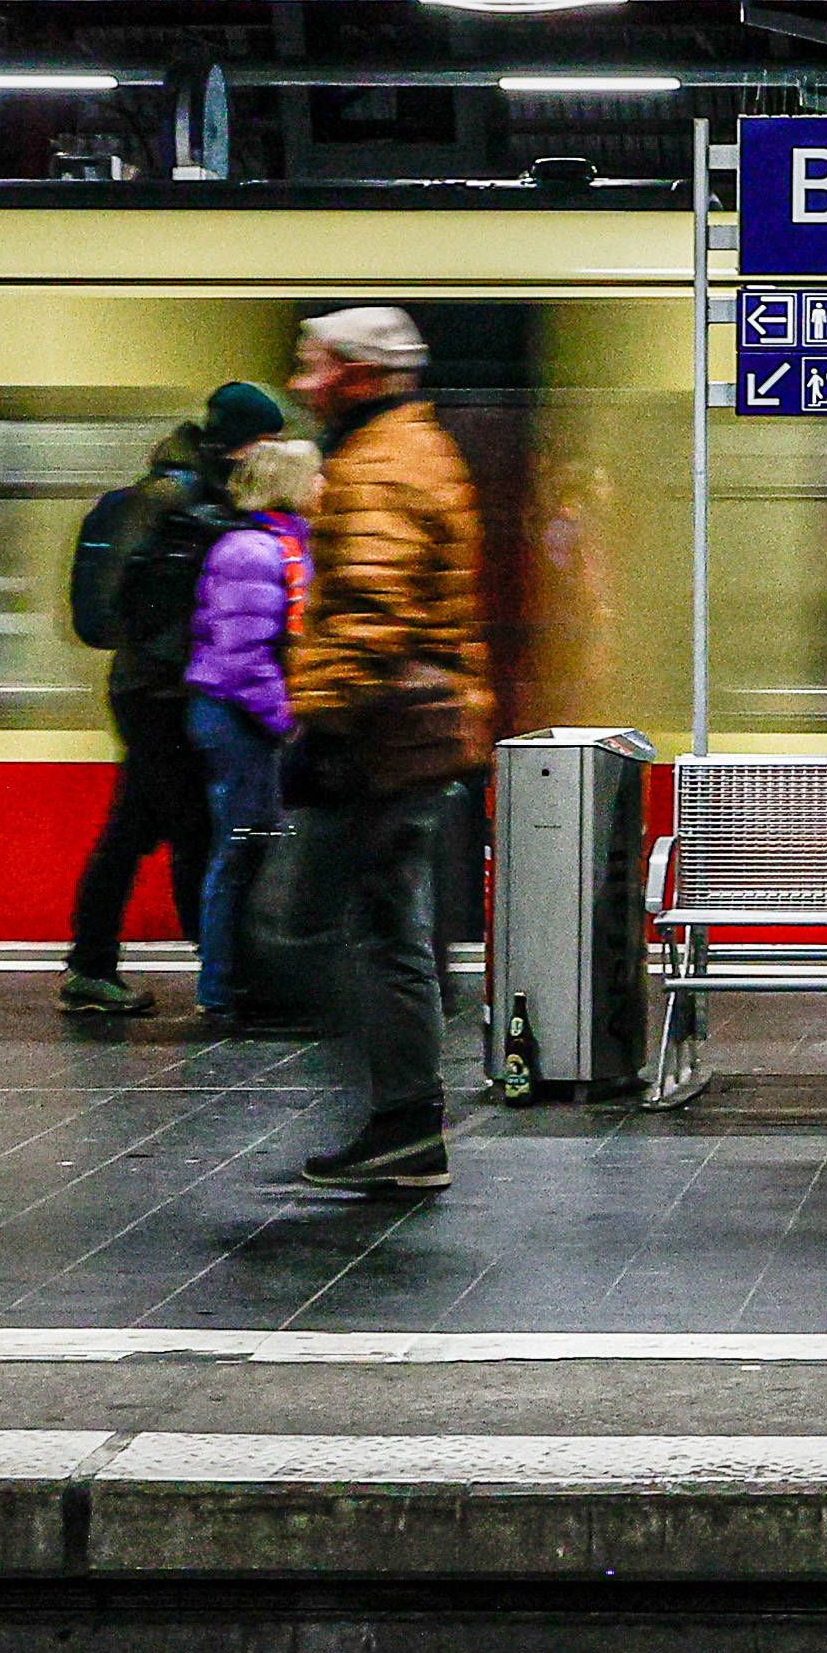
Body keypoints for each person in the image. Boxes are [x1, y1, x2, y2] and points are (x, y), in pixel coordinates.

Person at [281, 305, 495, 1194]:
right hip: (409, 734)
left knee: (333, 925)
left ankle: (402, 1117)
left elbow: (372, 611)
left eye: (314, 365)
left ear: (360, 375)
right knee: (377, 925)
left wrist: (321, 719)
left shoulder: (378, 467)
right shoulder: (406, 449)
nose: (301, 383)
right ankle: (399, 1117)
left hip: (383, 735)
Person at [60, 378, 286, 1019]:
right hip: (160, 691)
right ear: (243, 438)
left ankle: (109, 964)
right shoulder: (178, 500)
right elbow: (157, 610)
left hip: (147, 687)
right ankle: (211, 974)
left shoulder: (171, 491)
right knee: (177, 829)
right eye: (266, 439)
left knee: (148, 827)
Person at [182, 431, 321, 1024]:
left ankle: (253, 977)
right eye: (316, 475)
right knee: (240, 850)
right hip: (236, 714)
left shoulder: (288, 547)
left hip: (252, 713)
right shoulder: (250, 551)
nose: (325, 486)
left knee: (252, 846)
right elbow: (243, 657)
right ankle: (222, 986)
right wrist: (286, 720)